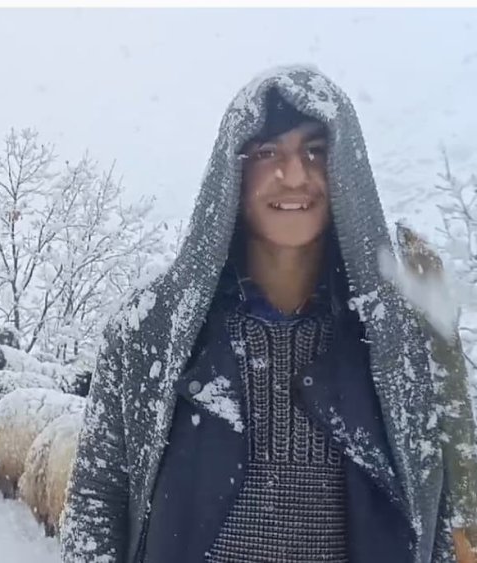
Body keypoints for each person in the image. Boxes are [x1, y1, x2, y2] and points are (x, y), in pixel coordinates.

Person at [59, 65, 477, 563]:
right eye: (268, 152)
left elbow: (439, 517)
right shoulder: (150, 330)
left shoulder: (402, 341)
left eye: (315, 151)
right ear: (231, 171)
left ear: (347, 167)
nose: (294, 174)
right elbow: (98, 498)